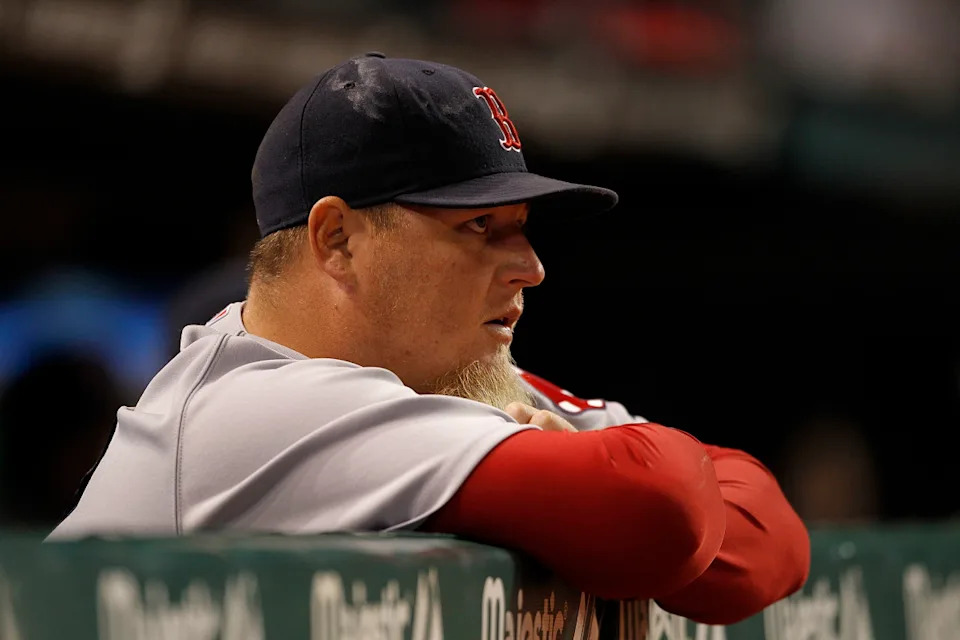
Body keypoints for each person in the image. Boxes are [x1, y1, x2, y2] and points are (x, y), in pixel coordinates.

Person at [48, 52, 810, 625]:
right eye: (479, 225)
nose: (533, 268)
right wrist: (602, 467)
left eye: (521, 229)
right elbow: (663, 510)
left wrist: (615, 472)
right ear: (337, 238)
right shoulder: (255, 407)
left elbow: (771, 542)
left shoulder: (426, 384)